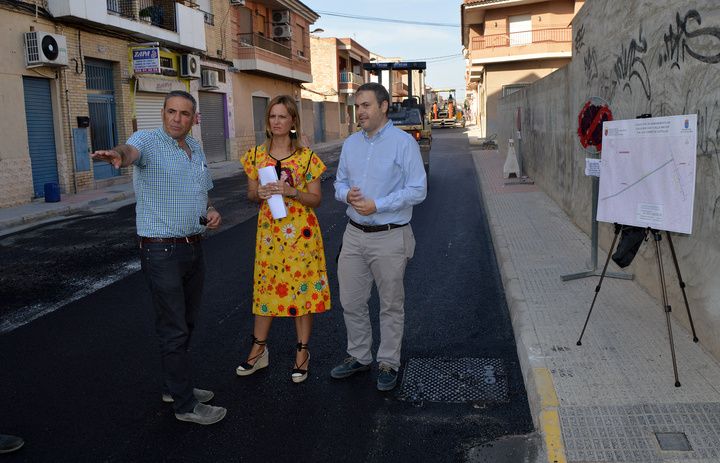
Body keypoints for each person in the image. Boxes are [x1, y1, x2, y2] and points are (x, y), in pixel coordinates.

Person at [91, 90, 226, 425]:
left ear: (194, 118)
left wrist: (210, 210)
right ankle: (184, 405)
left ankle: (172, 385)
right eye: (170, 112)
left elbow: (202, 191)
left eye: (183, 113)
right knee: (173, 327)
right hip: (161, 250)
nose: (176, 119)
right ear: (163, 113)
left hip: (194, 246)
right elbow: (130, 151)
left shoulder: (195, 147)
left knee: (187, 321)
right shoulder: (147, 140)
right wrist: (118, 154)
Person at [331, 82, 427, 391]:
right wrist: (347, 194)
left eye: (365, 105)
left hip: (390, 236)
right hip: (354, 235)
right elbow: (338, 183)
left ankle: (389, 362)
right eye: (357, 105)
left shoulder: (403, 143)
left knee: (390, 304)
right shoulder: (350, 144)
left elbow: (418, 190)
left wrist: (378, 205)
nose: (359, 111)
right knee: (351, 301)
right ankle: (359, 356)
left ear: (383, 107)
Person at [236, 95, 330, 384]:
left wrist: (292, 193)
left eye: (282, 117)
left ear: (292, 122)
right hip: (270, 236)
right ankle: (259, 349)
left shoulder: (307, 158)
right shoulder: (255, 156)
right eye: (272, 116)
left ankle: (302, 352)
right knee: (267, 291)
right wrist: (259, 194)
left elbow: (316, 200)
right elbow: (251, 195)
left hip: (301, 235)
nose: (276, 121)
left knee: (303, 294)